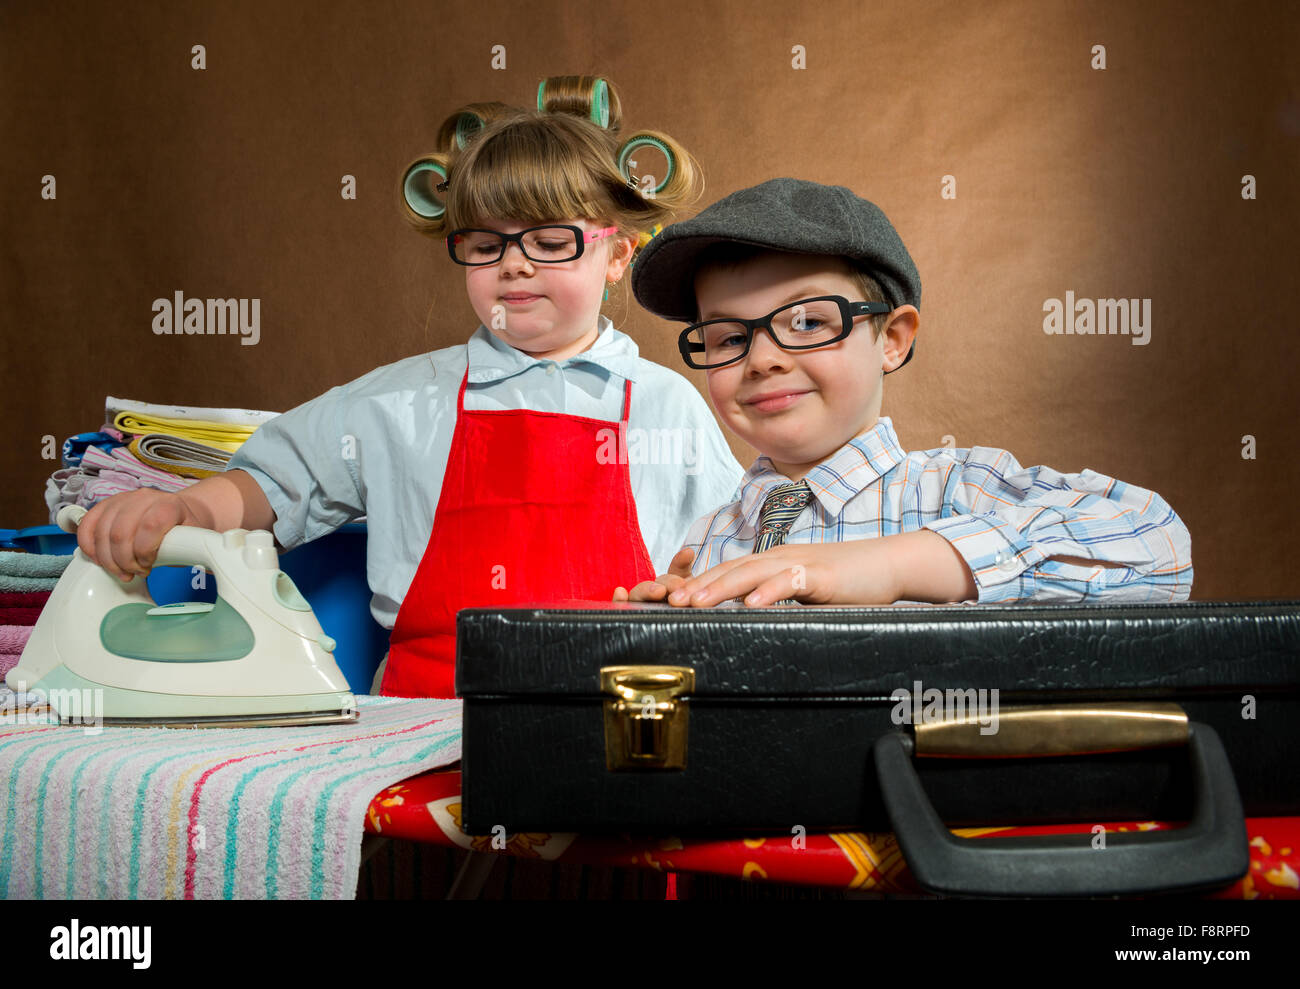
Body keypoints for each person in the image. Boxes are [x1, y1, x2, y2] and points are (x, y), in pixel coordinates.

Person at [75, 76, 744, 697]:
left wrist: (699, 588)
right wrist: (186, 511)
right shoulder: (399, 401)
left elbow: (734, 557)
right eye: (485, 246)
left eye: (549, 241)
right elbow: (279, 482)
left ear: (618, 253)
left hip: (616, 722)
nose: (514, 264)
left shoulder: (667, 407)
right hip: (421, 724)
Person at [615, 178, 1192, 608]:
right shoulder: (715, 533)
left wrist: (888, 565)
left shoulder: (958, 487)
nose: (763, 359)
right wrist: (675, 621)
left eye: (810, 323)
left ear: (891, 339)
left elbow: (1158, 543)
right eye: (731, 337)